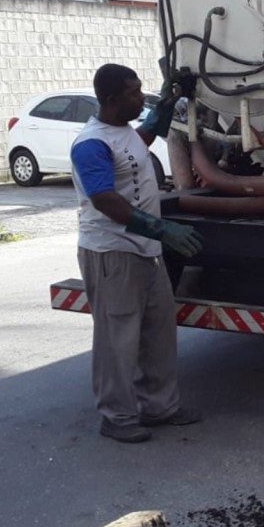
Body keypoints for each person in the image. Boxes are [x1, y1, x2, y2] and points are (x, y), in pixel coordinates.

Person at [71, 63, 205, 444]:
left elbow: (148, 132)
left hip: (146, 252)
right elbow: (104, 200)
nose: (140, 97)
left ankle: (160, 406)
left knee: (158, 331)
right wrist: (161, 228)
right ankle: (116, 415)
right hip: (112, 253)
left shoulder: (125, 133)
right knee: (118, 339)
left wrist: (171, 97)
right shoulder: (91, 143)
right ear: (112, 99)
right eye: (133, 92)